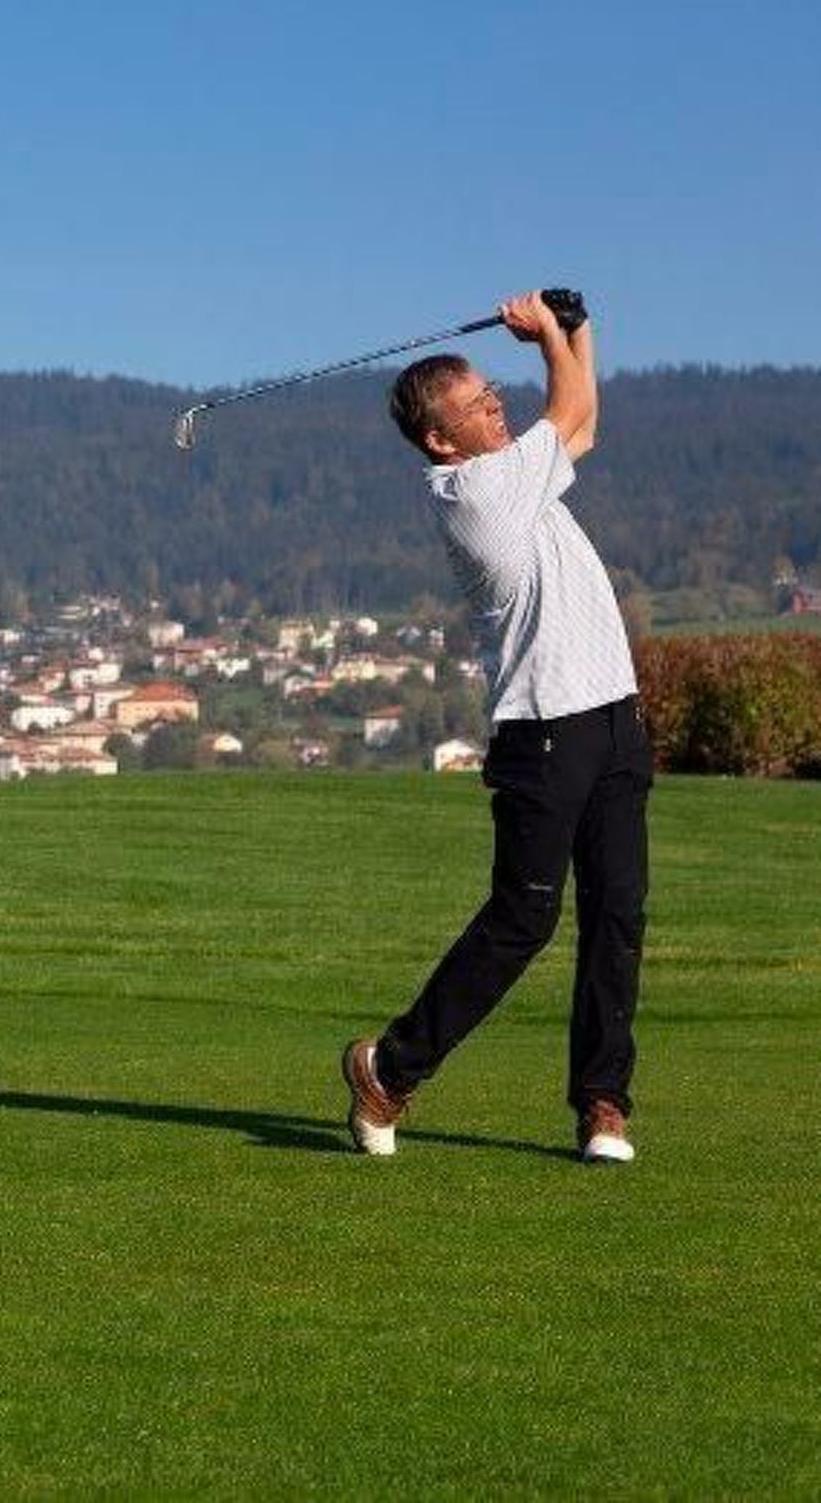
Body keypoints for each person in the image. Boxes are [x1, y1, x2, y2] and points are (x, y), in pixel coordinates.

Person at [343, 289, 653, 1164]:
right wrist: (551, 334)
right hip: (543, 734)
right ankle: (389, 1067)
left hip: (614, 721)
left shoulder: (520, 470)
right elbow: (571, 407)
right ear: (442, 439)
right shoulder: (477, 491)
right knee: (522, 921)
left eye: (493, 393)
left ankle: (603, 1105)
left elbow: (579, 424)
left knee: (617, 915)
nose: (497, 405)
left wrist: (580, 327)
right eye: (480, 404)